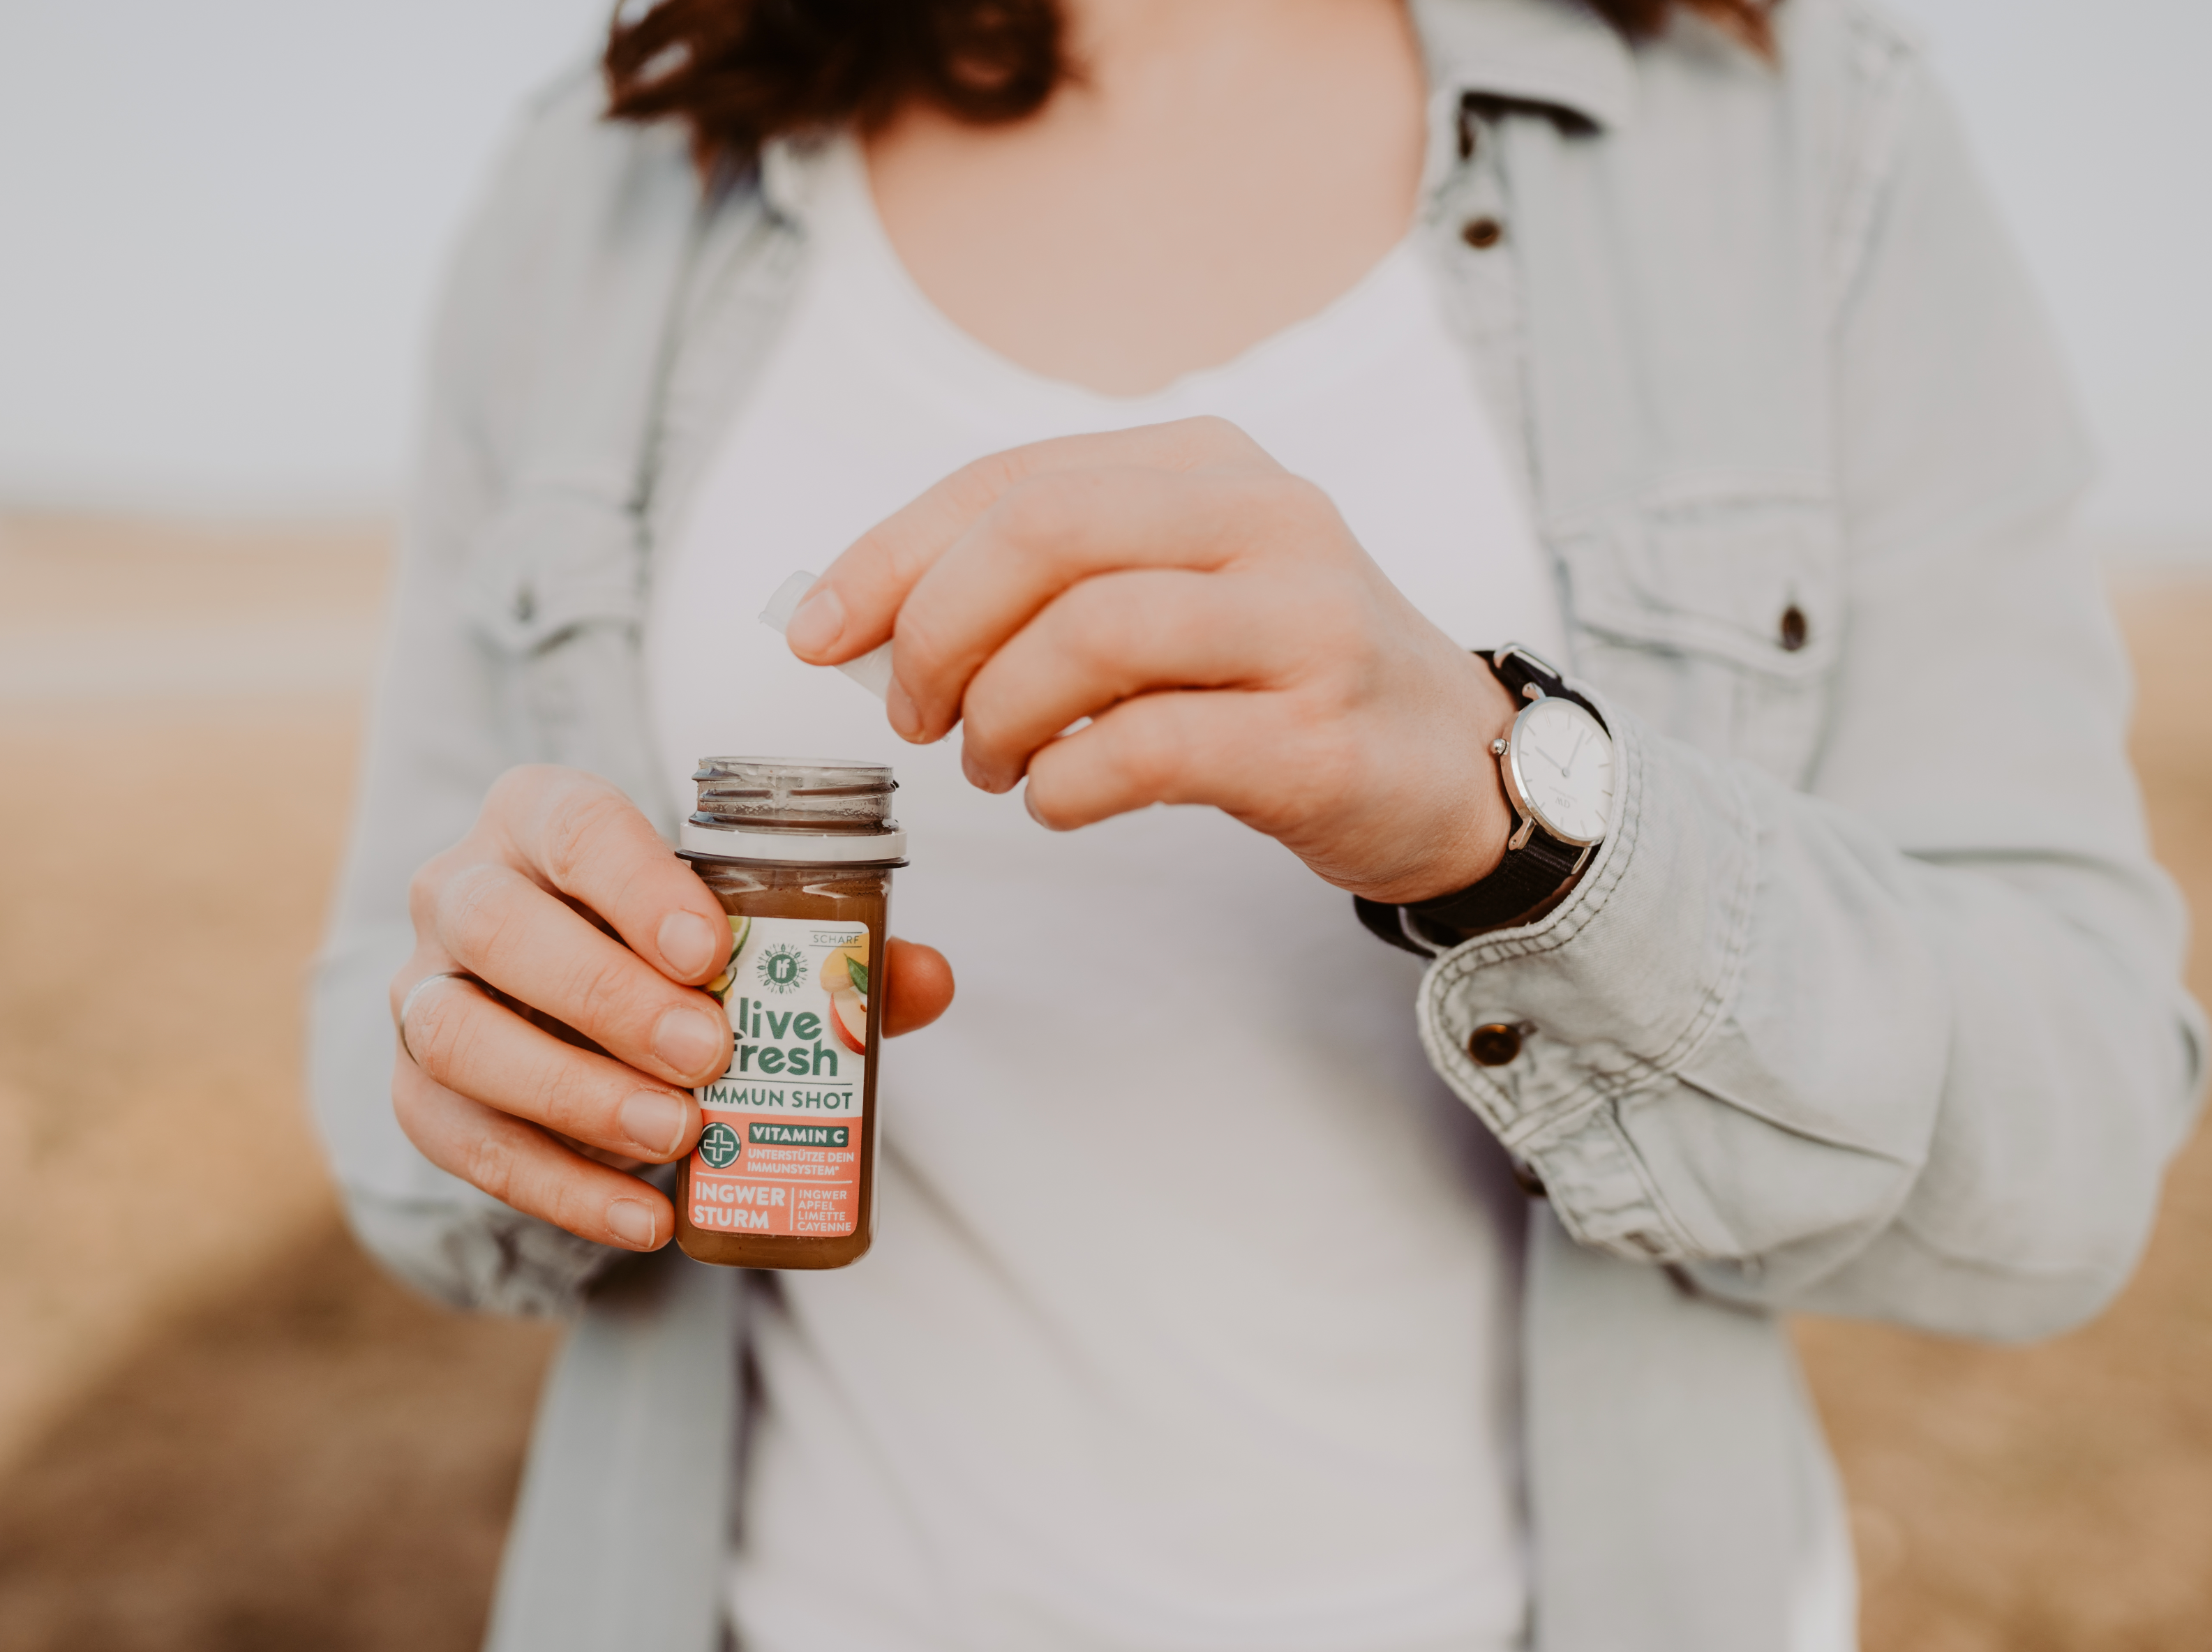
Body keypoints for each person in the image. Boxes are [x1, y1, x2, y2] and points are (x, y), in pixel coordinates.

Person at [308, 1, 2206, 1648]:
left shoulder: (1797, 131)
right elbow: (386, 1053)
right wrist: (511, 1056)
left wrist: (1512, 806)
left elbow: (2073, 1145)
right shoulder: (614, 169)